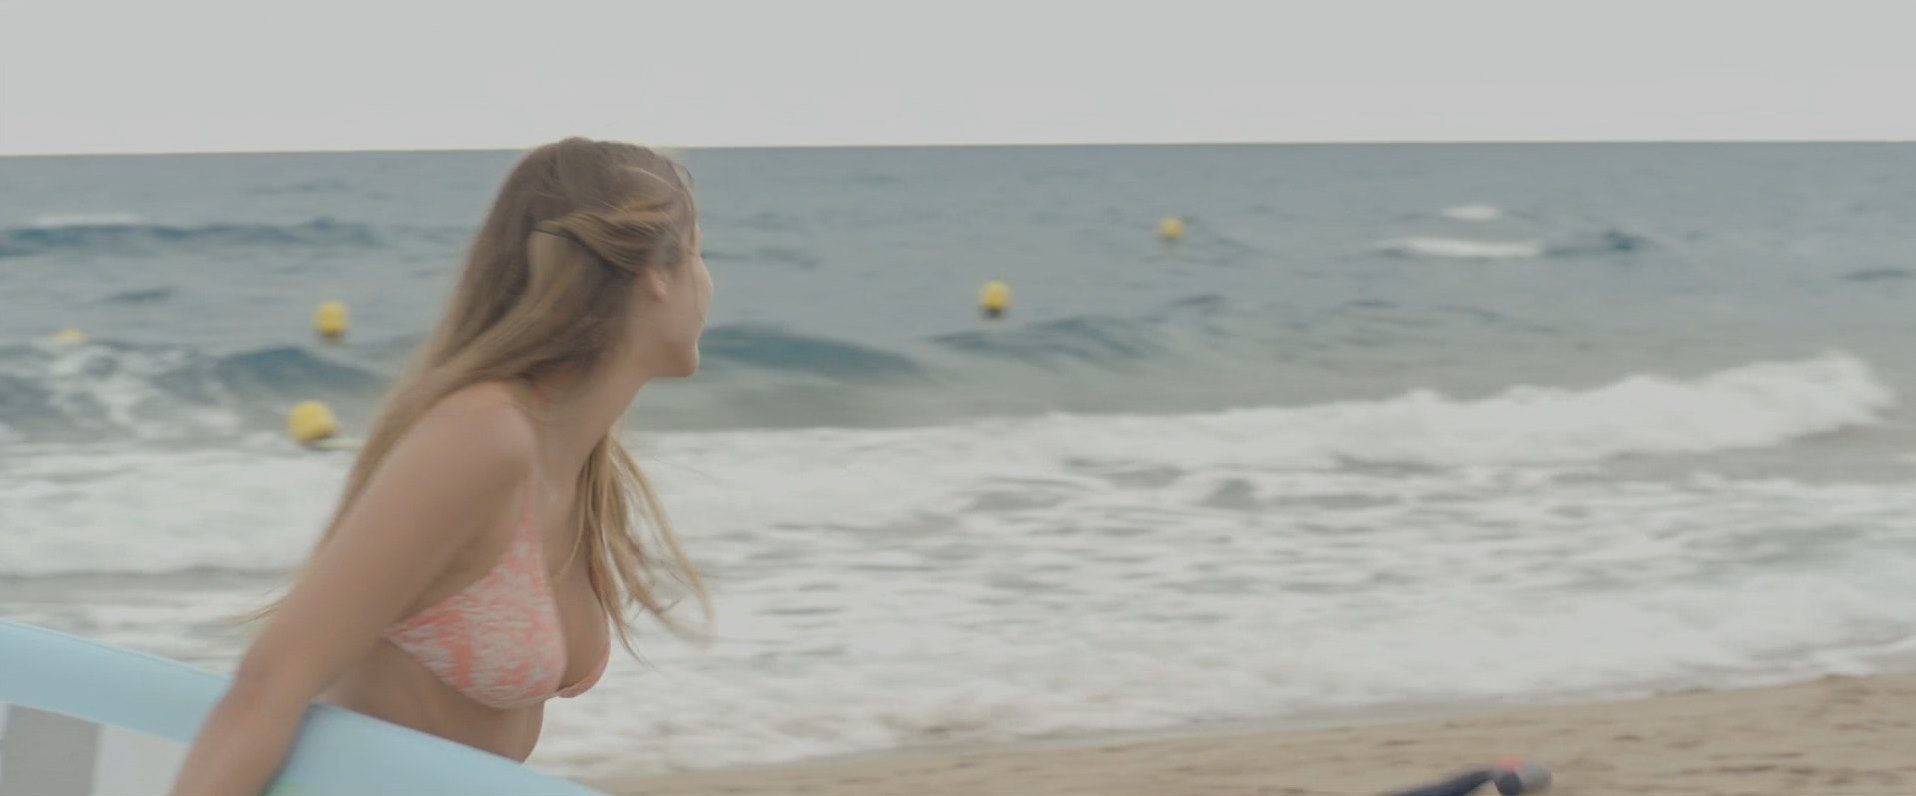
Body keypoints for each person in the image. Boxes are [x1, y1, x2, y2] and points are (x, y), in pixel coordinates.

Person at [169, 137, 713, 796]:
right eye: (699, 254)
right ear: (657, 273)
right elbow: (270, 682)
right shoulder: (481, 436)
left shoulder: (580, 463)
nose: (708, 283)